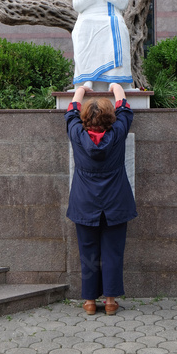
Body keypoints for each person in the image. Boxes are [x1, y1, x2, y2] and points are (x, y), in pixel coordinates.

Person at [65, 82, 137, 315]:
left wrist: (82, 89)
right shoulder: (117, 132)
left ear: (85, 118)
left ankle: (88, 302)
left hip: (84, 203)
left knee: (88, 251)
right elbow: (125, 108)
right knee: (112, 252)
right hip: (116, 203)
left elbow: (71, 111)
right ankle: (109, 301)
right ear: (110, 118)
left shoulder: (77, 133)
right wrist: (116, 86)